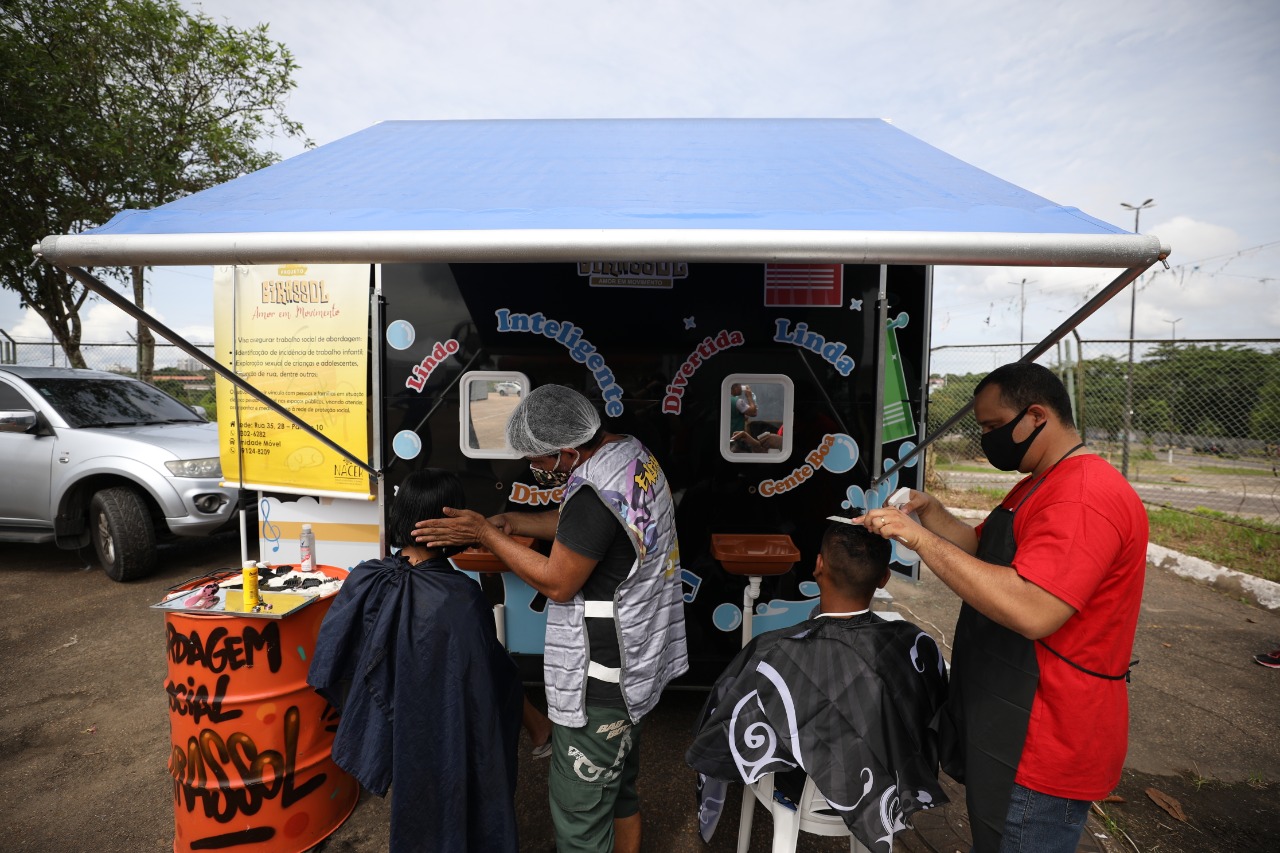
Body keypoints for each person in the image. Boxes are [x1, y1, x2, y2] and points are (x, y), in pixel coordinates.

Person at [858, 362, 1148, 853]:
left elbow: (1033, 608)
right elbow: (982, 551)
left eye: (993, 426)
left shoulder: (1082, 496)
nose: (987, 438)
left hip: (1045, 734)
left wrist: (919, 540)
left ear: (1036, 415)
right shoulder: (1043, 480)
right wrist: (931, 515)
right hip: (1013, 718)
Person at [414, 384, 687, 853]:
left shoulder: (593, 495)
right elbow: (586, 529)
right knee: (618, 787)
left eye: (538, 460)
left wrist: (482, 531)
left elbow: (559, 581)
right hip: (641, 661)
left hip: (603, 681)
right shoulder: (629, 454)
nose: (533, 468)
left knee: (581, 817)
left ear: (567, 451)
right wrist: (516, 523)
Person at [686, 522, 949, 849]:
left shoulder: (773, 651)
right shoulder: (916, 644)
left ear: (818, 566)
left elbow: (726, 724)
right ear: (884, 578)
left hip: (796, 787)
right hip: (884, 782)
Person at [308, 469, 524, 853]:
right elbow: (487, 683)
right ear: (452, 524)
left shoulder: (366, 576)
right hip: (445, 722)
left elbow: (334, 656)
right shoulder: (458, 596)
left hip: (396, 717)